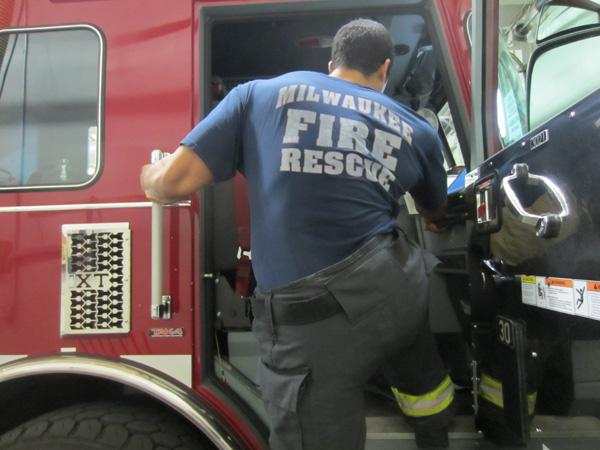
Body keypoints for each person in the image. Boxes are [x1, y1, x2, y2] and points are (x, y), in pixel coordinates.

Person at [141, 18, 454, 450]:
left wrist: (148, 173)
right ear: (385, 70)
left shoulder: (257, 95)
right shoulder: (417, 129)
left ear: (331, 65)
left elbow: (170, 184)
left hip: (315, 323)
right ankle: (435, 433)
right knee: (418, 366)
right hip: (396, 288)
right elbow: (436, 207)